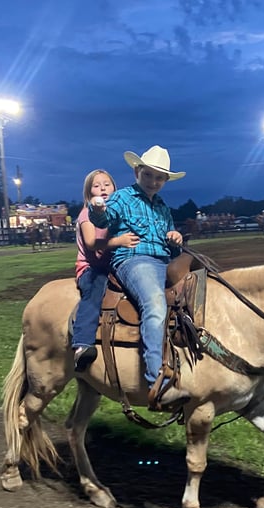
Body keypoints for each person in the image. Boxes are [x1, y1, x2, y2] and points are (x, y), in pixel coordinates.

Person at [89, 145, 189, 410]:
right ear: (137, 171)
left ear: (165, 180)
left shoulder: (163, 208)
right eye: (149, 175)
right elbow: (102, 219)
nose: (154, 181)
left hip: (164, 261)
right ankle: (157, 381)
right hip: (134, 261)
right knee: (155, 304)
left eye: (159, 178)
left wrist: (175, 238)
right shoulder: (122, 197)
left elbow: (170, 241)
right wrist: (97, 209)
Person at [70, 169, 139, 371]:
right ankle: (82, 343)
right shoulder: (86, 213)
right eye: (96, 185)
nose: (102, 188)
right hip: (92, 267)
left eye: (106, 184)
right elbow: (91, 243)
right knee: (95, 288)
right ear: (89, 192)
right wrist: (119, 241)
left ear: (114, 188)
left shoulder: (116, 213)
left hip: (114, 265)